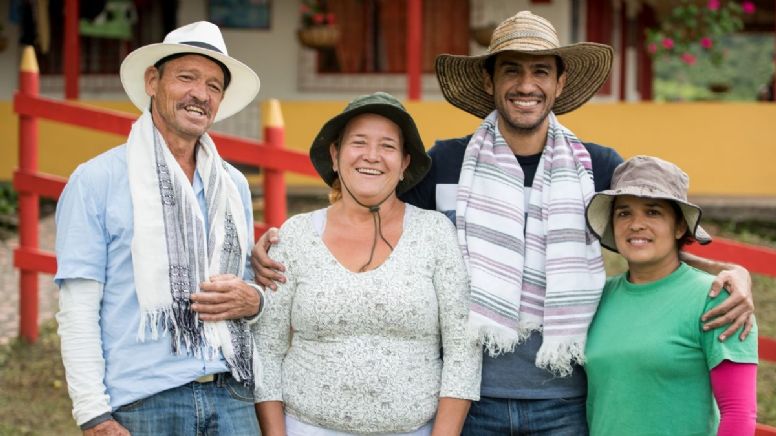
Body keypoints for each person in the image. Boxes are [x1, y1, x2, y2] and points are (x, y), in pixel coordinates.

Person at [253, 11, 755, 435]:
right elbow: (370, 212)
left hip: (566, 398)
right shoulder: (446, 164)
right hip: (471, 399)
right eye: (511, 70)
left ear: (559, 83)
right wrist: (280, 249)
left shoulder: (596, 167)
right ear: (489, 81)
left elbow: (649, 237)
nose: (526, 84)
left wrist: (729, 275)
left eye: (541, 71)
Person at [55, 21, 264, 435]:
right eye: (186, 77)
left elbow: (243, 287)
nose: (200, 94)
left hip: (233, 394)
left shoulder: (231, 184)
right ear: (153, 81)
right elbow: (78, 306)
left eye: (214, 86)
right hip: (144, 401)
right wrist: (93, 414)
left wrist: (255, 299)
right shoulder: (97, 180)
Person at [253, 92, 482, 436]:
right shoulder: (296, 235)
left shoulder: (434, 233)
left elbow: (463, 349)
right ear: (335, 155)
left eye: (388, 146)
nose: (372, 156)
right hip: (306, 427)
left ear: (404, 163)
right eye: (358, 142)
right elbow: (267, 350)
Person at [584, 155, 758, 435]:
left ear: (679, 226)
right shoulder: (596, 297)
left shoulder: (718, 298)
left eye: (653, 212)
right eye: (624, 213)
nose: (636, 224)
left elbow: (739, 413)